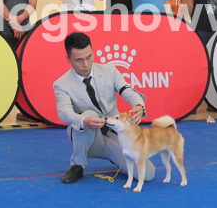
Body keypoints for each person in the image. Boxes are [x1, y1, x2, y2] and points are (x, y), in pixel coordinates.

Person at [53, 32, 155, 184]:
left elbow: (126, 89)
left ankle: (115, 156)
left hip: (116, 134)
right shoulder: (61, 84)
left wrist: (139, 104)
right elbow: (64, 111)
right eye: (79, 60)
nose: (86, 64)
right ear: (68, 59)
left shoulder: (109, 69)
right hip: (89, 138)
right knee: (88, 114)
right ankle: (77, 165)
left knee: (148, 174)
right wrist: (84, 121)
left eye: (89, 57)